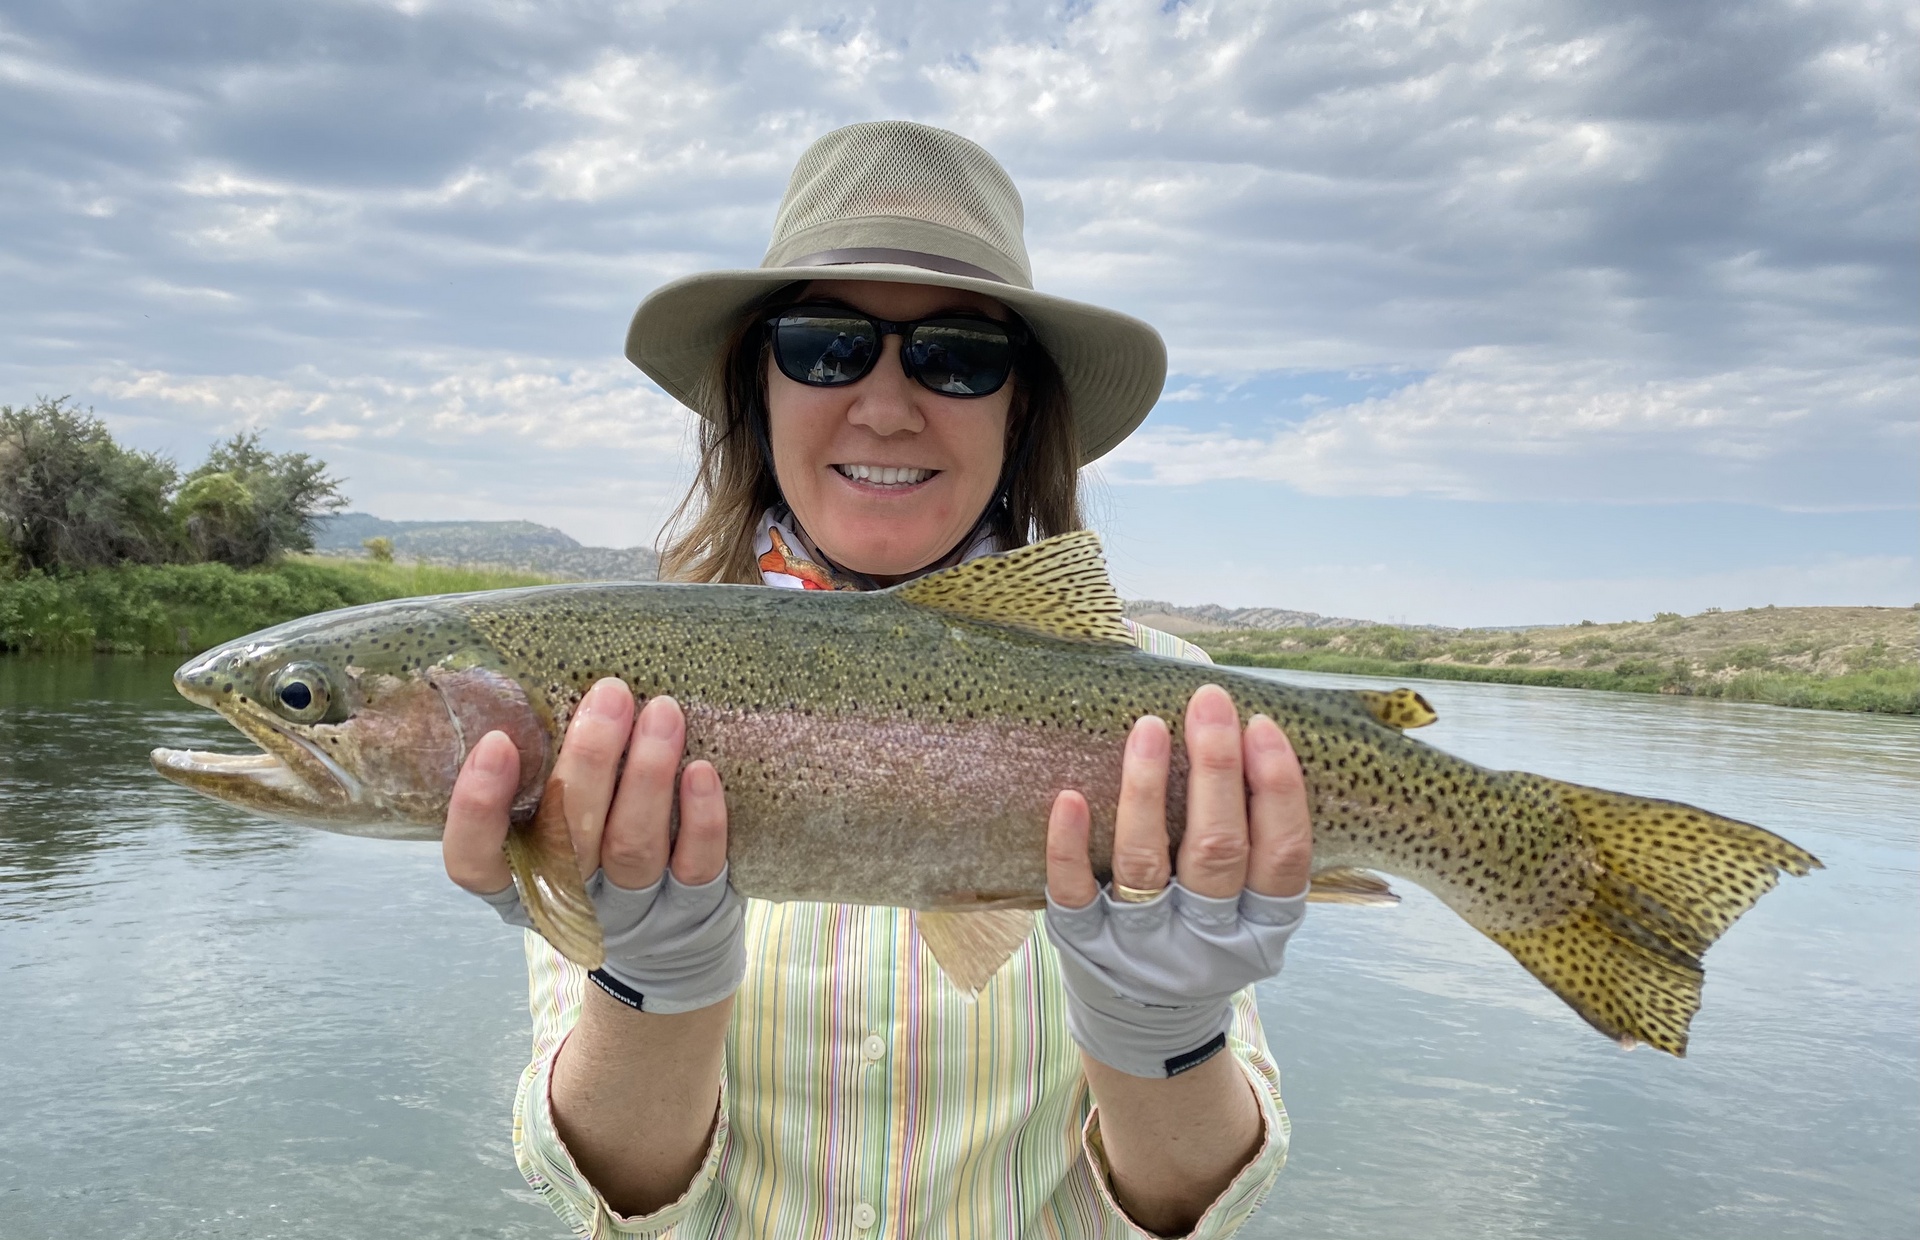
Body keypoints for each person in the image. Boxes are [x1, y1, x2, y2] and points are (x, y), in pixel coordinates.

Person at [442, 121, 1314, 1239]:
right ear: (756, 386)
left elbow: (1191, 1207)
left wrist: (1166, 1031)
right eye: (822, 346)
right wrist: (644, 984)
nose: (889, 405)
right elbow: (621, 1197)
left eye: (958, 356)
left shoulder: (1186, 716)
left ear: (1023, 405)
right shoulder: (617, 695)